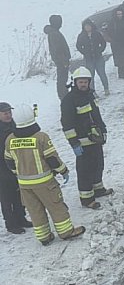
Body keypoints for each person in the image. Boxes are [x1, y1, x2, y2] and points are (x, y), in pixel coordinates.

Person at [4, 104, 85, 245]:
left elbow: (9, 161)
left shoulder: (10, 139)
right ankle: (66, 232)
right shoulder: (41, 137)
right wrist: (63, 171)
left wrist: (19, 173)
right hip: (44, 183)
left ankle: (44, 237)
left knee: (35, 211)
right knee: (56, 206)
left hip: (24, 185)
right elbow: (52, 159)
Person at [61, 67, 113, 209]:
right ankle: (87, 199)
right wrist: (74, 143)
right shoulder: (69, 100)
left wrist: (103, 130)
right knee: (85, 171)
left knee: (98, 165)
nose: (83, 84)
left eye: (85, 82)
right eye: (81, 82)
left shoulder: (90, 95)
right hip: (82, 143)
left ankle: (98, 189)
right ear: (75, 82)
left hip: (95, 139)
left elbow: (96, 115)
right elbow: (67, 124)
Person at [0, 102, 32, 234]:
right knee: (6, 198)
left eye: (9, 113)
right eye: (5, 113)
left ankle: (21, 218)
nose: (8, 115)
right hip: (2, 169)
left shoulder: (15, 124)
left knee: (19, 194)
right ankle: (11, 224)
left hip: (17, 166)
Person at [76, 19, 110, 95]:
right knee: (90, 76)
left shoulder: (97, 34)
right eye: (86, 26)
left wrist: (100, 50)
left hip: (98, 57)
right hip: (89, 59)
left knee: (102, 74)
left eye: (89, 26)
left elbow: (103, 43)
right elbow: (78, 45)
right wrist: (84, 52)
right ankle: (93, 92)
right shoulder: (81, 36)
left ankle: (106, 88)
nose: (87, 28)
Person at [44, 14, 71, 99]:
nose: (61, 24)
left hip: (60, 61)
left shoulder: (54, 32)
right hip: (61, 61)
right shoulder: (54, 33)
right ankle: (64, 96)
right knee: (62, 80)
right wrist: (64, 61)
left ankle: (64, 95)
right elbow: (58, 49)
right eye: (59, 22)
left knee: (62, 80)